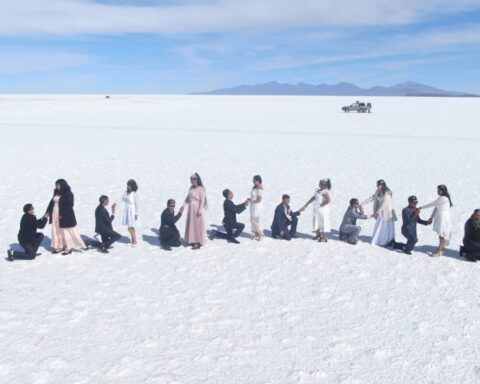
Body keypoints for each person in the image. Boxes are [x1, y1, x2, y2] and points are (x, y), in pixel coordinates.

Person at [45, 179, 87, 255]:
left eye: (58, 185)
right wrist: (47, 212)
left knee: (65, 231)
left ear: (62, 185)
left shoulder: (68, 193)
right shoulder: (56, 192)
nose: (56, 187)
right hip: (55, 214)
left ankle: (68, 247)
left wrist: (62, 214)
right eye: (56, 185)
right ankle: (60, 246)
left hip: (65, 215)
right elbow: (52, 202)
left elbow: (70, 205)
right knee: (57, 230)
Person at [419, 184, 452, 257]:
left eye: (439, 190)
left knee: (442, 234)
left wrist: (421, 207)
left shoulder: (443, 198)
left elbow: (433, 204)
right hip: (440, 216)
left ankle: (440, 250)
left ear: (443, 191)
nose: (438, 191)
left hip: (443, 217)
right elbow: (436, 208)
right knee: (441, 234)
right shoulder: (441, 198)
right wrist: (431, 217)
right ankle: (441, 248)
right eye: (438, 190)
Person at [362, 179, 397, 247]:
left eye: (379, 185)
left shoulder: (387, 194)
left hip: (387, 213)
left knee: (386, 227)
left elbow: (383, 205)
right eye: (377, 185)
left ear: (383, 185)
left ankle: (385, 241)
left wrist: (376, 213)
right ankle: (379, 239)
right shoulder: (377, 191)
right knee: (379, 226)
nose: (378, 186)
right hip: (381, 212)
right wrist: (363, 203)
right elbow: (372, 197)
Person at [183, 173, 207, 250]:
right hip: (191, 208)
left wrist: (200, 210)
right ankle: (192, 239)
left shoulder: (201, 189)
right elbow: (188, 197)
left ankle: (198, 241)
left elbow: (202, 200)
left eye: (194, 180)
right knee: (192, 224)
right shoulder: (191, 188)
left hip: (197, 208)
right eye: (191, 180)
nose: (192, 181)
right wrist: (183, 205)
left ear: (197, 180)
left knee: (197, 225)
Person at [122, 179, 139, 247]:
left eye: (129, 185)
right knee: (130, 226)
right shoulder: (125, 193)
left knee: (130, 227)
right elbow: (121, 199)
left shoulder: (134, 194)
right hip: (127, 209)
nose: (128, 187)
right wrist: (115, 203)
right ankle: (133, 240)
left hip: (132, 210)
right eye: (127, 185)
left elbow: (137, 204)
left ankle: (134, 240)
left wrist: (136, 213)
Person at [250, 175, 264, 240]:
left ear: (258, 181)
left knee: (255, 219)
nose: (253, 182)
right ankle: (256, 233)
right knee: (253, 219)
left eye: (254, 180)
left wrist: (251, 201)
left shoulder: (259, 188)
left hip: (256, 205)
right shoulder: (255, 187)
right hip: (253, 205)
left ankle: (260, 233)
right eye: (253, 180)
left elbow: (259, 199)